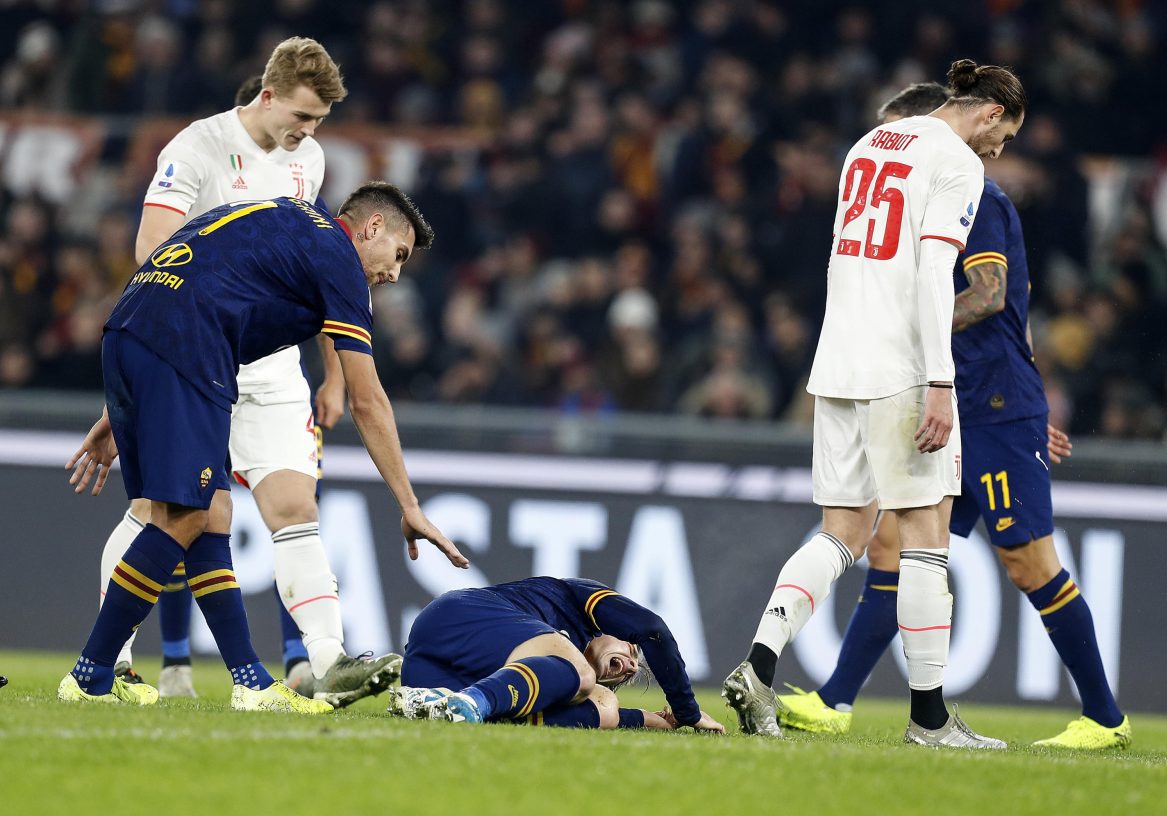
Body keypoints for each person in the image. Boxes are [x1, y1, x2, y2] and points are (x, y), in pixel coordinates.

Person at [777, 83, 1131, 750]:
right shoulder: (929, 195)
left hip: (990, 405)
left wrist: (918, 341)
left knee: (1029, 565)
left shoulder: (983, 200)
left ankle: (1106, 719)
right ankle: (835, 701)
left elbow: (991, 295)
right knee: (890, 545)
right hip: (950, 404)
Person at [59, 183, 468, 712]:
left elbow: (198, 273)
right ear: (370, 228)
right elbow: (368, 400)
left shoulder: (290, 217)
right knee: (180, 517)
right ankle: (91, 672)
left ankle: (251, 682)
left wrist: (120, 406)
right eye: (398, 254)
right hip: (190, 347)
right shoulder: (338, 258)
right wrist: (410, 505)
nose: (394, 273)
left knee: (211, 511)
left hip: (131, 331)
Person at [721, 59, 1026, 748]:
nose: (998, 151)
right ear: (986, 112)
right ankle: (929, 720)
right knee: (926, 539)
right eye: (1003, 136)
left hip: (837, 361)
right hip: (901, 368)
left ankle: (759, 663)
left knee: (842, 532)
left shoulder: (867, 145)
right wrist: (940, 382)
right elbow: (928, 272)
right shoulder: (956, 163)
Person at [92, 38, 396, 708]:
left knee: (295, 510)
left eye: (317, 122)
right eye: (303, 116)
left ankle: (329, 662)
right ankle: (110, 663)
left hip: (272, 363)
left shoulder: (307, 160)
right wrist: (156, 361)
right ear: (267, 94)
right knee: (161, 512)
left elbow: (317, 273)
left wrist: (332, 375)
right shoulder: (196, 147)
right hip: (196, 350)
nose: (309, 133)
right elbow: (152, 251)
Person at [391, 577, 725, 733]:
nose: (631, 664)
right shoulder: (577, 600)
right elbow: (653, 629)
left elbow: (604, 708)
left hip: (428, 675)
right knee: (583, 678)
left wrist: (650, 720)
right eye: (632, 649)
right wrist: (688, 711)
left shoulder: (551, 675)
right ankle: (474, 704)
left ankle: (446, 704)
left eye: (632, 670)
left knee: (605, 707)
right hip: (456, 615)